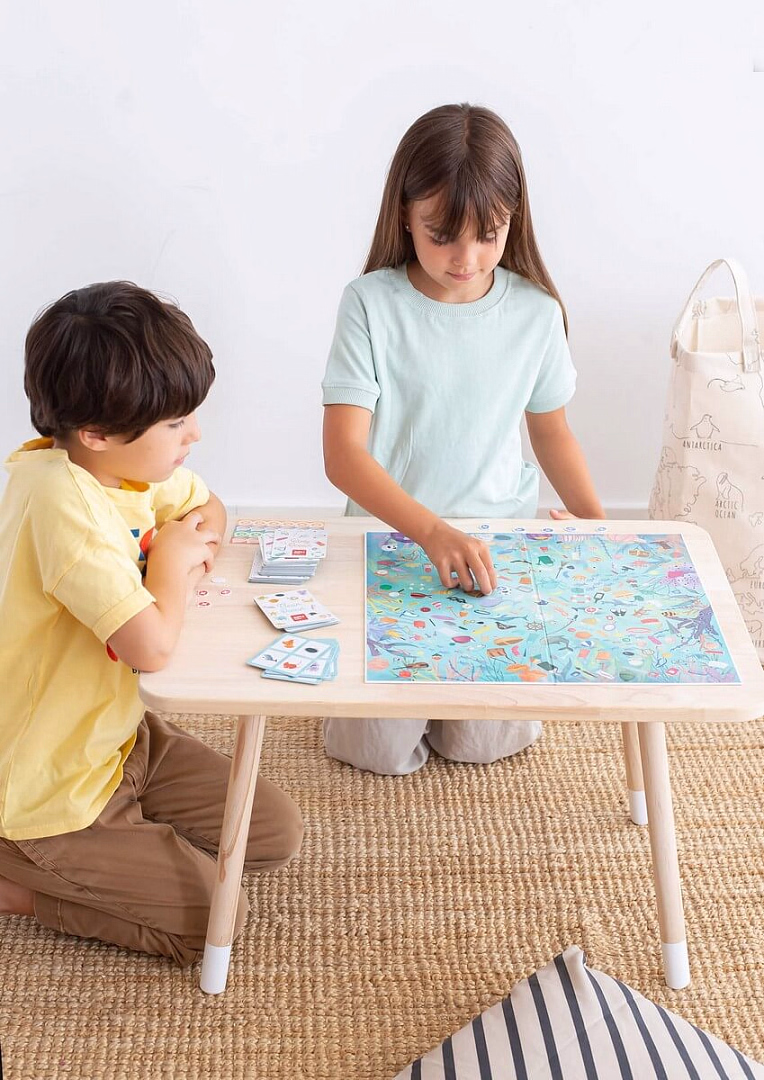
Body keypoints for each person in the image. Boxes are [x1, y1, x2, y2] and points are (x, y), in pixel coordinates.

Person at [0, 282, 302, 965]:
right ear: (97, 434)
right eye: (176, 424)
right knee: (217, 919)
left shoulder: (118, 470)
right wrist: (170, 565)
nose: (195, 435)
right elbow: (152, 648)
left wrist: (184, 554)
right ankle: (19, 886)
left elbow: (211, 509)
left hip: (119, 741)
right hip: (47, 790)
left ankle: (123, 838)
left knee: (272, 833)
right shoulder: (63, 503)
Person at [321, 103, 604, 774]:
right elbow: (343, 455)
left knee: (483, 745)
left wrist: (601, 530)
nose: (466, 258)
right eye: (443, 234)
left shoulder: (536, 313)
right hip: (390, 541)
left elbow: (553, 433)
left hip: (493, 548)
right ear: (404, 215)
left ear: (513, 218)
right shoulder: (370, 304)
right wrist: (432, 532)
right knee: (378, 754)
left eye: (489, 234)